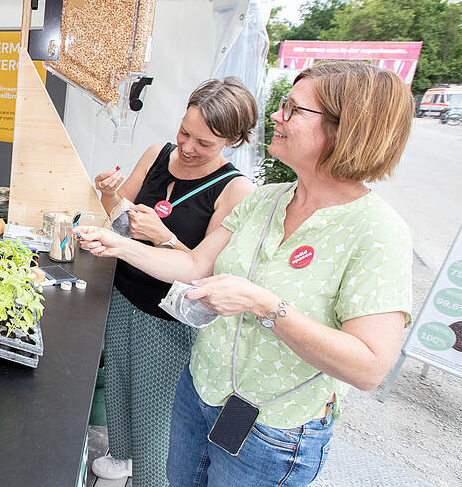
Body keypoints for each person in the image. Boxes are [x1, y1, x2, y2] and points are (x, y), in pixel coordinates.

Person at [77, 61, 414, 487]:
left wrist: (265, 305)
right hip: (200, 394)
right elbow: (195, 266)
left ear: (345, 131)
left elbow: (369, 368)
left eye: (292, 109)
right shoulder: (267, 199)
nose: (275, 116)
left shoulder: (377, 231)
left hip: (272, 427)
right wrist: (118, 243)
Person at [89, 78, 258, 487]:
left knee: (155, 412)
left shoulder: (235, 189)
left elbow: (204, 269)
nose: (187, 147)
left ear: (232, 141)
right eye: (185, 132)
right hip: (123, 292)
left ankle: (151, 479)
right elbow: (119, 215)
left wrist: (165, 237)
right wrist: (107, 192)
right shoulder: (156, 153)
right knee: (119, 384)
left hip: (170, 317)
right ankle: (120, 456)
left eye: (204, 142)